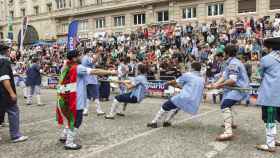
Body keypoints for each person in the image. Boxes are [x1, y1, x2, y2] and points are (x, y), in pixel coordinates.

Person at [56, 50, 115, 150]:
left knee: (71, 118)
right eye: (80, 56)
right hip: (75, 99)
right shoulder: (77, 67)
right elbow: (94, 71)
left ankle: (64, 135)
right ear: (74, 58)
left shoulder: (65, 67)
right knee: (77, 120)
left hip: (65, 98)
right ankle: (69, 142)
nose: (81, 57)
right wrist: (110, 72)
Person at [208, 44, 250, 141]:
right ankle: (230, 124)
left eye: (223, 53)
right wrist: (214, 84)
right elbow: (223, 76)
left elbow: (232, 80)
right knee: (226, 104)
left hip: (239, 88)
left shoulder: (233, 63)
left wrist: (218, 86)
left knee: (225, 105)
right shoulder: (231, 62)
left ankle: (228, 132)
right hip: (235, 88)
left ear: (226, 53)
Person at [147, 62, 204, 128]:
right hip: (194, 100)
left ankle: (154, 122)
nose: (189, 68)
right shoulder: (201, 79)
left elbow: (176, 81)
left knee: (165, 106)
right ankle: (167, 122)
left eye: (190, 67)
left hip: (184, 97)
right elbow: (181, 86)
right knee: (177, 107)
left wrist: (168, 83)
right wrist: (173, 85)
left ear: (193, 68)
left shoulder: (188, 74)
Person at [255, 37, 280, 152]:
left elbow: (259, 75)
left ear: (270, 48)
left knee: (269, 119)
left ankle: (270, 144)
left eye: (266, 47)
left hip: (271, 95)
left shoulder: (266, 59)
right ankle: (273, 140)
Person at [0, 42, 28, 143]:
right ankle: (15, 135)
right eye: (9, 51)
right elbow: (4, 78)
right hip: (4, 94)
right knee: (13, 112)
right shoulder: (4, 62)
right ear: (6, 51)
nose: (10, 52)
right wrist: (12, 93)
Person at [81, 48, 105, 116]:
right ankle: (98, 110)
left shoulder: (84, 58)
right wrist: (99, 53)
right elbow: (93, 62)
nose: (91, 53)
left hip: (87, 80)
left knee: (88, 96)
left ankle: (85, 111)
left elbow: (94, 63)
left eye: (92, 52)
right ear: (87, 52)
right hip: (91, 80)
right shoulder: (87, 57)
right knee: (96, 95)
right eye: (90, 52)